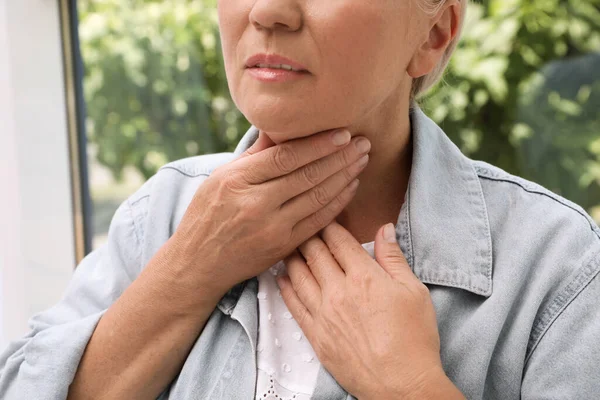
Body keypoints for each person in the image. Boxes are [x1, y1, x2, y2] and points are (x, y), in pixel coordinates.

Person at [2, 0, 600, 398]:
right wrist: (186, 273)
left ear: (434, 32)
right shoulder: (159, 214)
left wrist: (408, 384)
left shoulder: (561, 270)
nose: (268, 11)